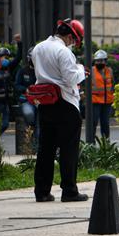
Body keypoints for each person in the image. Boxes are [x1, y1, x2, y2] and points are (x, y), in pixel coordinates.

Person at [31, 18, 88, 202]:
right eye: (75, 40)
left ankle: (42, 190)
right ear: (70, 36)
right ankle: (69, 190)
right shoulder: (63, 51)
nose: (74, 44)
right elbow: (71, 79)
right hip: (65, 103)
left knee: (45, 149)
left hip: (45, 103)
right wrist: (81, 71)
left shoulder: (38, 48)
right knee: (68, 149)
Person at [15, 47, 38, 148]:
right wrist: (26, 89)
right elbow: (16, 85)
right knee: (29, 114)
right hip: (26, 100)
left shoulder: (40, 71)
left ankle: (37, 147)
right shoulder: (22, 71)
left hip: (40, 101)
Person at [91, 50, 115, 141]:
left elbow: (113, 84)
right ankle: (91, 143)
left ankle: (105, 144)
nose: (99, 62)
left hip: (107, 102)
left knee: (105, 123)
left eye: (101, 61)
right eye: (97, 61)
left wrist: (113, 95)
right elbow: (84, 84)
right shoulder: (91, 71)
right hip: (95, 101)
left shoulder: (109, 71)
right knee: (93, 123)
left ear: (105, 61)